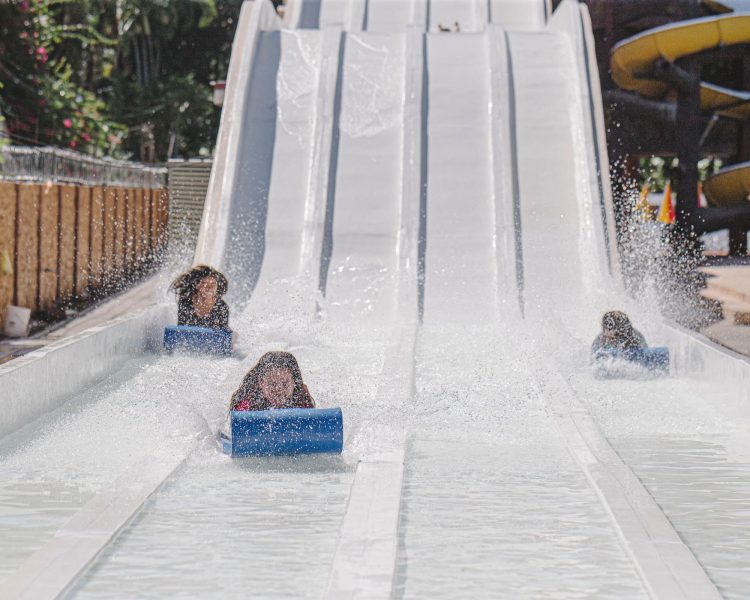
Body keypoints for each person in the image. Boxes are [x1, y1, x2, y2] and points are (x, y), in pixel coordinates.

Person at [230, 351, 315, 411]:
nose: (278, 389)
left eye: (285, 384)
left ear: (294, 383)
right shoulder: (249, 400)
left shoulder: (300, 398)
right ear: (261, 382)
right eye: (271, 384)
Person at [169, 265, 229, 329]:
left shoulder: (221, 307)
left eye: (213, 284)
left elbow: (222, 336)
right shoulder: (186, 303)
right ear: (197, 285)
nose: (209, 288)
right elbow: (182, 331)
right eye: (205, 283)